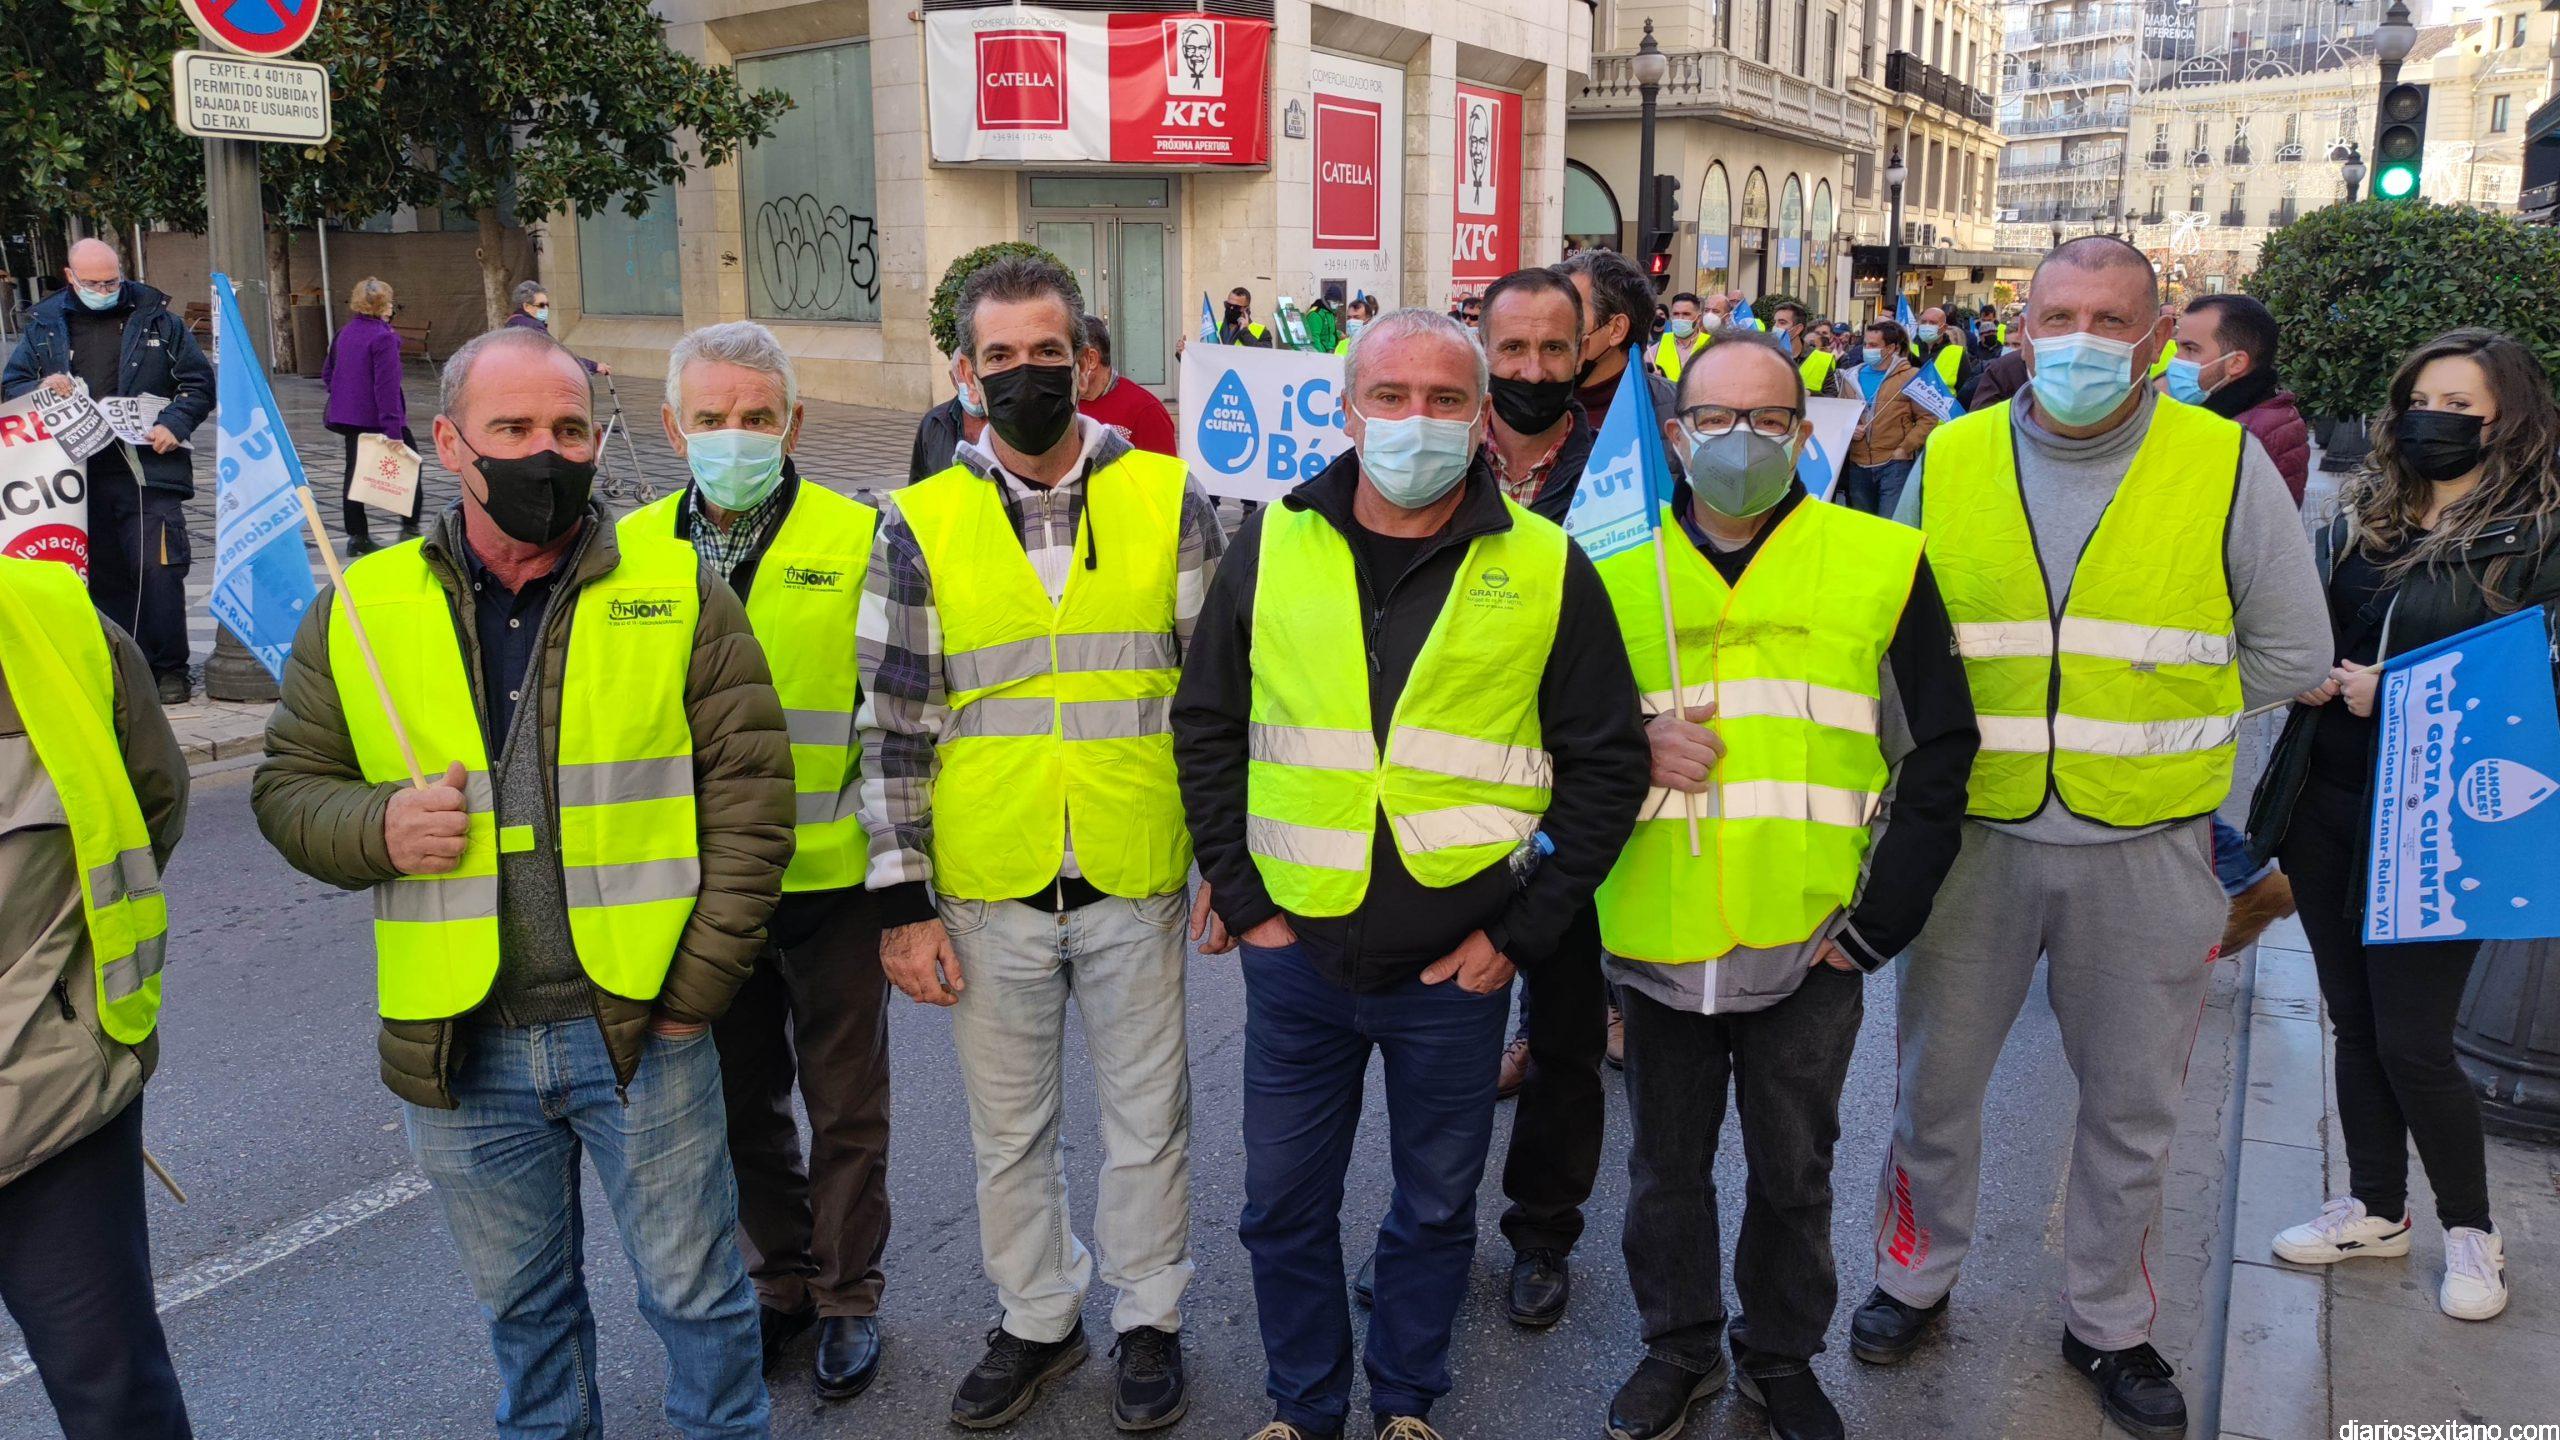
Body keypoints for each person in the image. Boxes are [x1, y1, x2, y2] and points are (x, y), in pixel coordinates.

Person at [252, 324, 793, 1439]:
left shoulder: (676, 589)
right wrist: (377, 825)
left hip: (639, 1029)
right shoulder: (362, 604)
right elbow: (288, 788)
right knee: (524, 1317)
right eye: (512, 429)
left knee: (697, 1297)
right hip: (464, 1038)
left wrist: (692, 995)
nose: (545, 453)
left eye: (568, 430)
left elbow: (751, 800)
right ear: (450, 443)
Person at [1856, 238, 2329, 1440]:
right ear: (2020, 327)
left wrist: (2155, 719)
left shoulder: (2220, 461)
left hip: (2148, 848)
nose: (2079, 341)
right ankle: (1913, 1274)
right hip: (1973, 839)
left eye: (2110, 320)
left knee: (2130, 1112)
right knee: (1932, 1088)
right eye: (2057, 316)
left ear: (2156, 337)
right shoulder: (1954, 455)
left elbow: (2292, 650)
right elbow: (1897, 643)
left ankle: (2109, 1324)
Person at [1171, 307, 1648, 1440]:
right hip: (1296, 955)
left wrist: (1519, 934)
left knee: (1434, 1212)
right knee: (1280, 1209)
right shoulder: (1275, 541)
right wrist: (1244, 896)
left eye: (1444, 399)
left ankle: (1404, 1403)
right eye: (1390, 396)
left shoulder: (1545, 563)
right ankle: (1303, 1408)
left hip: (1456, 970)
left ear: (1480, 419)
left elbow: (1606, 764)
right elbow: (1208, 725)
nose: (1414, 420)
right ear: (1348, 410)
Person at [859, 255, 1222, 1433]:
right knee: (1008, 1135)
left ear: (1088, 363)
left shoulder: (1169, 498)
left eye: (1047, 354)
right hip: (987, 883)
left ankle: (1149, 1318)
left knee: (1148, 1121)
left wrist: (1227, 864)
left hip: (1134, 872)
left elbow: (1216, 705)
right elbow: (894, 726)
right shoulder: (918, 521)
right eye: (1001, 357)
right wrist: (900, 905)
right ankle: (1037, 1320)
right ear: (966, 375)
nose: (1027, 375)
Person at [1602, 331, 1976, 1440]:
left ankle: (1778, 1357)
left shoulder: (1880, 561)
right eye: (1715, 418)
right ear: (1676, 436)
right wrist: (1630, 745)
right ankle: (1677, 1349)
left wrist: (1877, 925)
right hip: (1655, 929)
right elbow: (1542, 739)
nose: (1741, 439)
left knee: (1793, 1171)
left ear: (1804, 433)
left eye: (1768, 419)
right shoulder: (1610, 570)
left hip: (1811, 939)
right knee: (1664, 1169)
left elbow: (1937, 751)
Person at [2247, 329, 2560, 1324]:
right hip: (2325, 801)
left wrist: (2407, 695)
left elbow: (2538, 689)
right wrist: (2297, 663)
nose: (2434, 420)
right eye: (2422, 400)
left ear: (2506, 418)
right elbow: (2303, 626)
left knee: (2416, 1040)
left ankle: (2472, 1230)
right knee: (2355, 1023)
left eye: (2458, 405)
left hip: (2440, 824)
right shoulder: (2363, 514)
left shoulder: (2539, 538)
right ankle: (2375, 1210)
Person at [618, 322, 892, 1399]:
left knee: (846, 1107)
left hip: (832, 881)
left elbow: (895, 716)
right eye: (713, 418)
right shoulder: (629, 549)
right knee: (739, 1105)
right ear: (672, 426)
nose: (735, 435)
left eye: (757, 417)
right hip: (697, 892)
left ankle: (848, 1296)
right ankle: (779, 1282)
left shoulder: (862, 536)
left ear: (795, 424)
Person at [0, 554, 191, 1440]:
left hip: (55, 1105)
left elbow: (146, 812)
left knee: (118, 1405)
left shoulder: (58, 621)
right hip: (57, 1068)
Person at [1470, 267, 1613, 1329]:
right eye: (1511, 349)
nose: (1531, 368)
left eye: (1551, 349)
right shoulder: (1424, 453)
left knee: (1564, 1035)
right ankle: (1426, 1229)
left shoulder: (1630, 473)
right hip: (1445, 800)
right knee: (1436, 1035)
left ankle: (1541, 1232)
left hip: (1577, 803)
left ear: (1585, 353)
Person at [0, 238, 214, 705]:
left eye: (111, 281)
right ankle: (120, 670)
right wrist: (41, 386)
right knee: (103, 574)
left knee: (158, 569)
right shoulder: (45, 325)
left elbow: (198, 384)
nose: (104, 290)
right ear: (70, 277)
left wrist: (174, 423)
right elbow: (12, 386)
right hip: (76, 477)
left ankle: (169, 669)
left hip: (147, 470)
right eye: (93, 283)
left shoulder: (159, 320)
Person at [2168, 293, 2315, 954]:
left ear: (2235, 363)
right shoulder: (2233, 416)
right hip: (2193, 623)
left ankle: (2248, 879)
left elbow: (2235, 544)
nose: (2174, 361)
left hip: (2200, 629)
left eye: (2189, 349)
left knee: (2160, 774)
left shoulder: (2247, 434)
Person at [322, 277, 420, 555]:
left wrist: (345, 395)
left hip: (349, 418)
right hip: (378, 418)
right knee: (410, 467)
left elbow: (328, 372)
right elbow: (386, 387)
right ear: (382, 306)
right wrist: (394, 431)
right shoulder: (384, 338)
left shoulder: (344, 333)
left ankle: (357, 536)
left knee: (354, 474)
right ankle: (410, 529)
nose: (391, 307)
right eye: (389, 303)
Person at [1557, 249, 1679, 440]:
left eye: (1570, 312)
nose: (1553, 327)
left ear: (1616, 329)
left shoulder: (1683, 412)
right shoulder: (1533, 404)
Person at [1839, 321, 1933, 518]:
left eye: (1873, 345)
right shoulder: (1850, 377)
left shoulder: (1911, 377)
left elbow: (1927, 418)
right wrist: (1850, 428)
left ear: (1891, 348)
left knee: (1890, 522)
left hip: (1894, 464)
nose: (1867, 349)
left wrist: (1905, 448)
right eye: (1865, 344)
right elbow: (1840, 414)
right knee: (1862, 523)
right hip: (1858, 464)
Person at [1077, 315, 1179, 456]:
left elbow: (1163, 469)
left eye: (1060, 354)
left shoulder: (1147, 412)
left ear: (1091, 360)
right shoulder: (1059, 405)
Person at [911, 349, 989, 484]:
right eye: (965, 376)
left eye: (976, 377)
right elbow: (918, 483)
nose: (972, 384)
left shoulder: (1008, 420)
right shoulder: (934, 422)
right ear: (953, 379)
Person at [502, 280, 608, 374]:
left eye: (547, 305)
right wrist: (594, 366)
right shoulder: (532, 326)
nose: (546, 309)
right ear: (527, 306)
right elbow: (559, 355)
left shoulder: (512, 322)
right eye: (542, 305)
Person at [1909, 305, 1981, 402]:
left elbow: (1965, 391)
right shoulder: (1908, 349)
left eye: (1932, 323)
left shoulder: (1957, 353)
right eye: (1923, 322)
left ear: (1944, 328)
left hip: (1943, 409)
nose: (1927, 325)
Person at [1651, 293, 1710, 383]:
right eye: (1676, 314)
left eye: (1686, 314)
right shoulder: (1656, 348)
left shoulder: (1712, 344)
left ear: (1698, 318)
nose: (1680, 318)